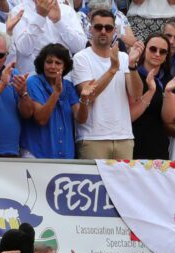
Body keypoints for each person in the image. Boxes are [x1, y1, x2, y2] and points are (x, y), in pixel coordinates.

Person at [73, 10, 144, 159]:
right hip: (93, 138)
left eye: (108, 28)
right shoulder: (81, 58)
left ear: (115, 31)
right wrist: (112, 69)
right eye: (98, 27)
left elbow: (136, 95)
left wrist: (132, 65)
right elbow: (88, 96)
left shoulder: (124, 57)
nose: (103, 31)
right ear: (90, 29)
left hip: (124, 137)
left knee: (124, 183)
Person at [12, 0, 87, 76]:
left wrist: (59, 22)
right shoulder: (18, 11)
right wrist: (40, 17)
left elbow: (80, 47)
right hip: (31, 78)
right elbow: (24, 49)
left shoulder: (67, 10)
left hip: (65, 78)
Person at [130, 33, 175, 159]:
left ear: (166, 56)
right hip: (133, 140)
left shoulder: (169, 80)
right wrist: (151, 91)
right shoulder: (132, 74)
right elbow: (130, 115)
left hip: (158, 143)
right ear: (144, 50)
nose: (157, 54)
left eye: (163, 52)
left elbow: (169, 119)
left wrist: (168, 92)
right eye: (153, 49)